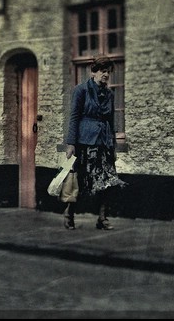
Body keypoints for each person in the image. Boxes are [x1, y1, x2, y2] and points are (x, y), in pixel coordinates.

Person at [64, 55, 127, 230]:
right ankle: (69, 213)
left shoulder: (109, 93)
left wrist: (113, 146)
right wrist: (71, 144)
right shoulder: (81, 90)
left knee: (106, 180)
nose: (106, 74)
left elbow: (111, 120)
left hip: (104, 142)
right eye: (103, 71)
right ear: (93, 72)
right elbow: (74, 118)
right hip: (85, 142)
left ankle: (102, 218)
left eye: (109, 72)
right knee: (82, 180)